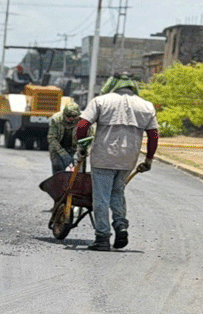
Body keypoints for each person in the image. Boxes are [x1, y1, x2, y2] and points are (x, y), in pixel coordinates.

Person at [74, 73, 158, 251]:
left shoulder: (101, 101)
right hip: (128, 158)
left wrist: (82, 146)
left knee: (101, 198)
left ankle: (102, 237)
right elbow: (153, 135)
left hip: (103, 157)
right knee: (117, 193)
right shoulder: (146, 106)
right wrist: (148, 159)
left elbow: (82, 126)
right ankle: (121, 225)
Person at [47, 101, 81, 174]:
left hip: (74, 149)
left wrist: (79, 152)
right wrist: (63, 154)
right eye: (68, 117)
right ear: (64, 115)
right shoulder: (55, 119)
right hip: (57, 148)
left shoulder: (82, 121)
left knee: (76, 173)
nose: (71, 119)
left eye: (74, 117)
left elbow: (88, 138)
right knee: (58, 170)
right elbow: (52, 138)